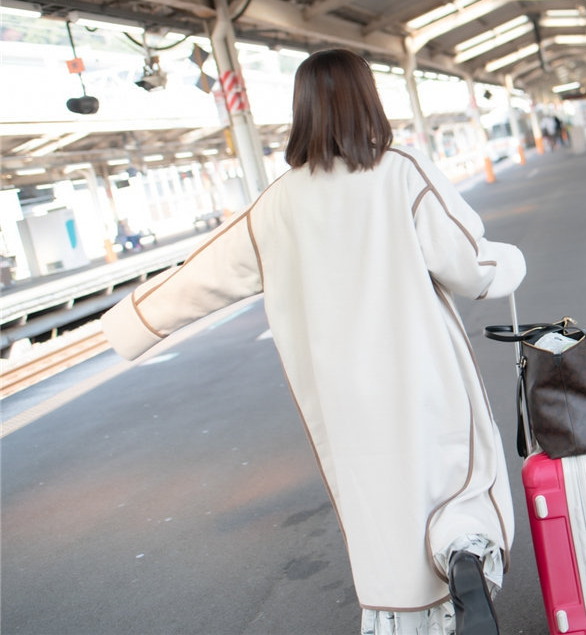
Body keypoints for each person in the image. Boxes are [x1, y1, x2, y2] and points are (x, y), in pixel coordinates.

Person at [101, 49, 525, 635]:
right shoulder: (402, 171)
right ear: (368, 100)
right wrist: (511, 263)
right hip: (422, 373)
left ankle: (404, 619)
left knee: (382, 509)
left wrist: (127, 326)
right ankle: (465, 553)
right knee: (461, 478)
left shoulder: (277, 204)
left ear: (302, 111)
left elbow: (203, 275)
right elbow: (470, 266)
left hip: (342, 397)